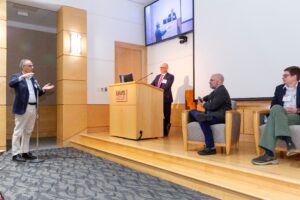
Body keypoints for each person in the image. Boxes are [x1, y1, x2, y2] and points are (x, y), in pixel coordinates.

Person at [252, 66, 300, 165]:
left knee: (273, 119)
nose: (283, 77)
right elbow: (273, 106)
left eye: (285, 75)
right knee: (277, 108)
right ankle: (289, 142)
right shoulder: (279, 89)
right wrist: (281, 109)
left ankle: (269, 154)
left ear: (294, 76)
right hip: (281, 114)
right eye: (283, 76)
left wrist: (297, 109)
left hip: (296, 116)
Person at [9, 59, 55, 162]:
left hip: (33, 108)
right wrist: (22, 77)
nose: (32, 67)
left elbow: (37, 93)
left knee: (28, 131)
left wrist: (43, 89)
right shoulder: (17, 76)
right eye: (30, 65)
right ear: (23, 67)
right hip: (22, 108)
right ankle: (15, 154)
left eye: (32, 65)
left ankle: (24, 152)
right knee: (18, 131)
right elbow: (11, 84)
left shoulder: (33, 79)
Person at [189, 74, 231, 155]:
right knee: (193, 112)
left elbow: (212, 106)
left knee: (202, 119)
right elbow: (208, 97)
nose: (209, 82)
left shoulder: (221, 91)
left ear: (219, 82)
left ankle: (210, 147)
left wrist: (203, 104)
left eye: (212, 80)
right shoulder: (216, 91)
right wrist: (202, 99)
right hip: (213, 115)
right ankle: (199, 116)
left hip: (220, 116)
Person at [151, 63, 174, 137]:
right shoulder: (157, 76)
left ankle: (166, 132)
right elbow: (152, 84)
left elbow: (167, 86)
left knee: (167, 115)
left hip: (166, 99)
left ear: (167, 68)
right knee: (158, 115)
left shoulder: (170, 76)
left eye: (162, 67)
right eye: (160, 67)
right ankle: (158, 130)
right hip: (157, 99)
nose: (161, 69)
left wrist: (158, 91)